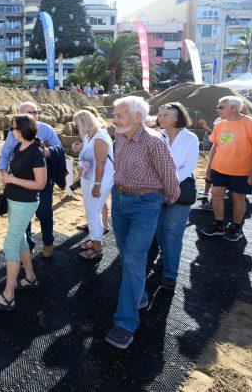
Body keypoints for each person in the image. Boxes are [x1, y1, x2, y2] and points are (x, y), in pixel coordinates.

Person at [105, 97, 180, 350]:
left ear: (137, 117)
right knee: (127, 255)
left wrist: (159, 202)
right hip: (119, 200)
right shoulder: (119, 136)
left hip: (145, 204)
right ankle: (140, 296)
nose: (115, 119)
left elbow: (171, 180)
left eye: (120, 115)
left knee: (132, 258)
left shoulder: (154, 142)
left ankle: (125, 323)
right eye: (115, 114)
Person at [0, 114, 46, 312]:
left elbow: (40, 184)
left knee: (10, 246)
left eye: (12, 128)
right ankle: (30, 277)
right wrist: (8, 176)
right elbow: (18, 172)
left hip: (24, 203)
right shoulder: (19, 147)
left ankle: (8, 296)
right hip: (14, 200)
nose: (9, 131)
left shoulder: (36, 152)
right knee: (20, 241)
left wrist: (12, 180)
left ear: (20, 130)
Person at [0, 102, 63, 257]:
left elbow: (59, 148)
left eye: (35, 112)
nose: (34, 115)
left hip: (42, 178)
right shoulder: (13, 134)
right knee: (23, 216)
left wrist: (44, 152)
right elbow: (5, 154)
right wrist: (4, 173)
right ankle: (27, 245)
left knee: (44, 212)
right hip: (20, 179)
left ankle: (48, 243)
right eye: (29, 113)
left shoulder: (46, 129)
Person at [201, 96, 252, 242]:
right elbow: (215, 147)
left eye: (220, 107)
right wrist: (209, 168)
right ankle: (219, 225)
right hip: (219, 168)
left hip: (242, 170)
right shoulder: (219, 125)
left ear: (234, 108)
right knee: (216, 193)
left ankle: (236, 227)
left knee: (238, 198)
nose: (217, 109)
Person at [151, 103, 199, 290]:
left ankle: (170, 274)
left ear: (177, 118)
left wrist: (170, 183)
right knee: (159, 228)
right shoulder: (156, 136)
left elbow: (188, 167)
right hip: (157, 190)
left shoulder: (190, 138)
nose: (161, 118)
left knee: (173, 231)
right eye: (160, 114)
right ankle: (166, 256)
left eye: (165, 115)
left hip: (179, 190)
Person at [70, 111, 114, 260]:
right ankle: (94, 239)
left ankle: (97, 247)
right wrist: (81, 147)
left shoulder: (100, 136)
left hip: (99, 180)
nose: (76, 127)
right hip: (89, 179)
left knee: (94, 212)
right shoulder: (89, 136)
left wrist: (97, 184)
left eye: (77, 124)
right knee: (91, 211)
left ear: (84, 123)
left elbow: (101, 162)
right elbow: (89, 153)